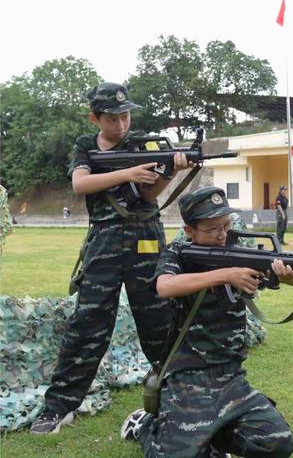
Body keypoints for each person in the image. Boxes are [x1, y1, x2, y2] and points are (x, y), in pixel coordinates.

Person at [31, 82, 191, 434]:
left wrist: (171, 172)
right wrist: (128, 173)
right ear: (95, 118)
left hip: (145, 238)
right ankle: (58, 407)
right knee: (87, 325)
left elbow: (148, 194)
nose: (121, 125)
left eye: (126, 116)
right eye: (113, 119)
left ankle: (182, 399)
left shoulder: (142, 143)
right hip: (103, 242)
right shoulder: (86, 146)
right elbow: (80, 184)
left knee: (159, 321)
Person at [121, 186, 293, 457]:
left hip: (230, 377)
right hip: (187, 376)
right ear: (190, 231)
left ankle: (214, 439)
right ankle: (147, 426)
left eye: (226, 225)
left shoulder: (238, 254)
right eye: (213, 229)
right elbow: (165, 286)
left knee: (276, 441)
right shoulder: (178, 254)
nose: (222, 234)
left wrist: (287, 274)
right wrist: (225, 274)